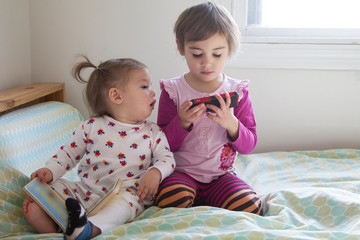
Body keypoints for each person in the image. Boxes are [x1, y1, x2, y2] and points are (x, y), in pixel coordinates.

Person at [22, 56, 176, 239]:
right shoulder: (90, 126)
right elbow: (68, 154)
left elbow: (167, 158)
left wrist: (155, 172)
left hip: (124, 195)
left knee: (124, 207)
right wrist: (50, 171)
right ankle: (57, 225)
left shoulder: (153, 132)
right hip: (85, 192)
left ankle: (88, 230)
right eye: (144, 87)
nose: (152, 93)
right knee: (49, 187)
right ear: (116, 96)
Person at [155, 2, 263, 215]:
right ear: (181, 47)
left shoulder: (237, 91)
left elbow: (249, 146)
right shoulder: (173, 91)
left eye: (217, 54)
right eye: (197, 54)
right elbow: (161, 145)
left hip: (221, 176)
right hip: (181, 173)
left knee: (249, 205)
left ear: (229, 50)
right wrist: (182, 122)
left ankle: (214, 198)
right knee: (171, 198)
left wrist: (231, 124)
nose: (207, 63)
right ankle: (191, 198)